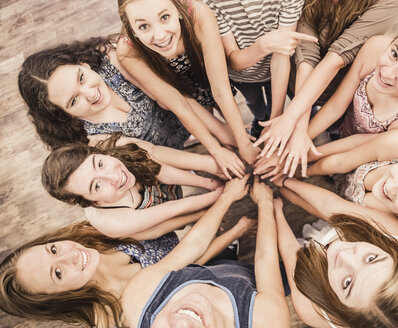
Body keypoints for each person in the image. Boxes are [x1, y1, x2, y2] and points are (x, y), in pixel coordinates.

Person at [0, 176, 291, 328]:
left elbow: (187, 250)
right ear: (58, 300)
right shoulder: (122, 312)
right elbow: (191, 258)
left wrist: (221, 204)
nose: (69, 255)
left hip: (209, 270)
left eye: (53, 249)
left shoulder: (94, 237)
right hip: (208, 275)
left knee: (246, 275)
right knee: (275, 282)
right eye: (58, 273)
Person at [254, 11, 398, 177]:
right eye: (394, 53)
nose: (388, 73)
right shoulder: (374, 47)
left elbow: (358, 147)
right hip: (341, 124)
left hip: (364, 158)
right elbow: (336, 106)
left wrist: (295, 159)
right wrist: (296, 140)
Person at [18, 36, 241, 179]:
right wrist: (211, 165)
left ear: (83, 64)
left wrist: (230, 138)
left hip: (180, 107)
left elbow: (177, 100)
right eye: (73, 101)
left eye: (82, 78)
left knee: (225, 134)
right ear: (63, 114)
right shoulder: (93, 139)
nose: (90, 93)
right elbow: (154, 155)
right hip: (161, 154)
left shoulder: (114, 59)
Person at [116, 0, 259, 167]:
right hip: (174, 89)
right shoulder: (128, 51)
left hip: (206, 69)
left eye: (165, 17)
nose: (160, 35)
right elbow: (179, 105)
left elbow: (221, 90)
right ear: (131, 28)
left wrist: (244, 144)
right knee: (214, 133)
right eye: (143, 27)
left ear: (177, 9)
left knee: (232, 126)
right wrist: (216, 150)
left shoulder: (198, 14)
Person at [273, 198, 398, 327]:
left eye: (347, 283)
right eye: (371, 259)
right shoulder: (393, 234)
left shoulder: (310, 308)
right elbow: (329, 205)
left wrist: (276, 210)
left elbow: (289, 250)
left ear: (340, 308)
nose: (344, 255)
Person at [42, 134, 225, 239]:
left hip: (159, 183)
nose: (114, 177)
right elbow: (174, 209)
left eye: (99, 164)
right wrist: (220, 197)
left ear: (98, 153)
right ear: (93, 202)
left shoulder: (117, 148)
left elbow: (161, 170)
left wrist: (208, 183)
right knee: (182, 219)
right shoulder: (113, 223)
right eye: (97, 186)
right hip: (153, 221)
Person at [204, 0, 316, 138]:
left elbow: (281, 58)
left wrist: (274, 121)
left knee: (273, 99)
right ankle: (260, 119)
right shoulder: (210, 3)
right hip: (242, 76)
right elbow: (233, 60)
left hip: (276, 72)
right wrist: (263, 46)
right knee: (253, 101)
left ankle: (267, 120)